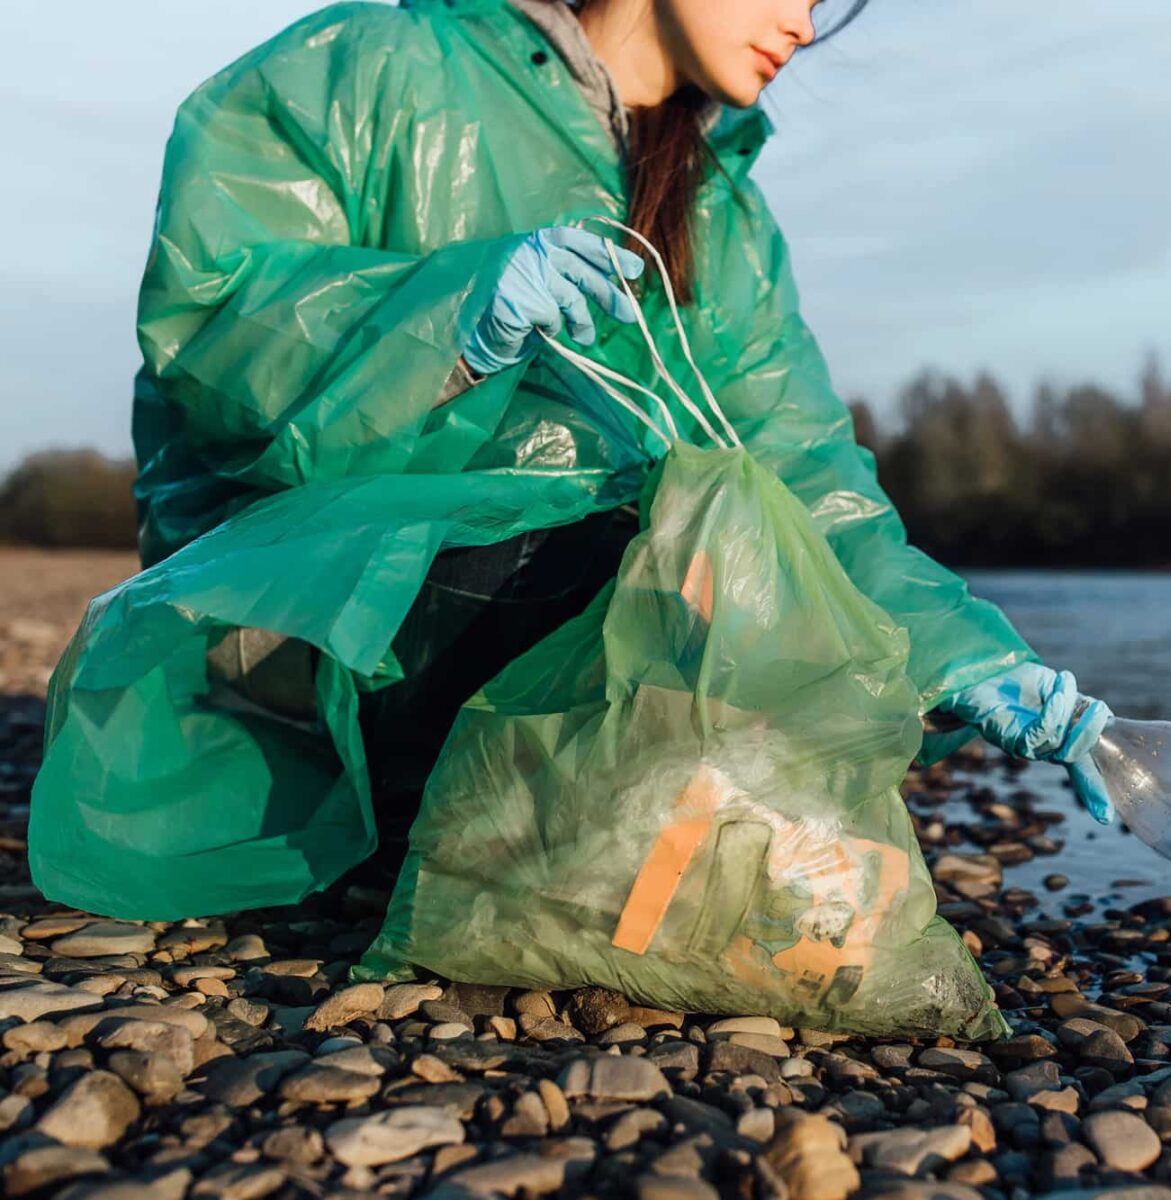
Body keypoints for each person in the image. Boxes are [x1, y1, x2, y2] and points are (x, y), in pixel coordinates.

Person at [30, 0, 1110, 917]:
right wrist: (452, 316)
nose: (808, 19)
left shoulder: (723, 212)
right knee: (658, 573)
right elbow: (208, 328)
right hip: (300, 625)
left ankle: (567, 820)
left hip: (573, 600)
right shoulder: (369, 67)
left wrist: (963, 653)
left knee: (754, 590)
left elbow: (803, 474)